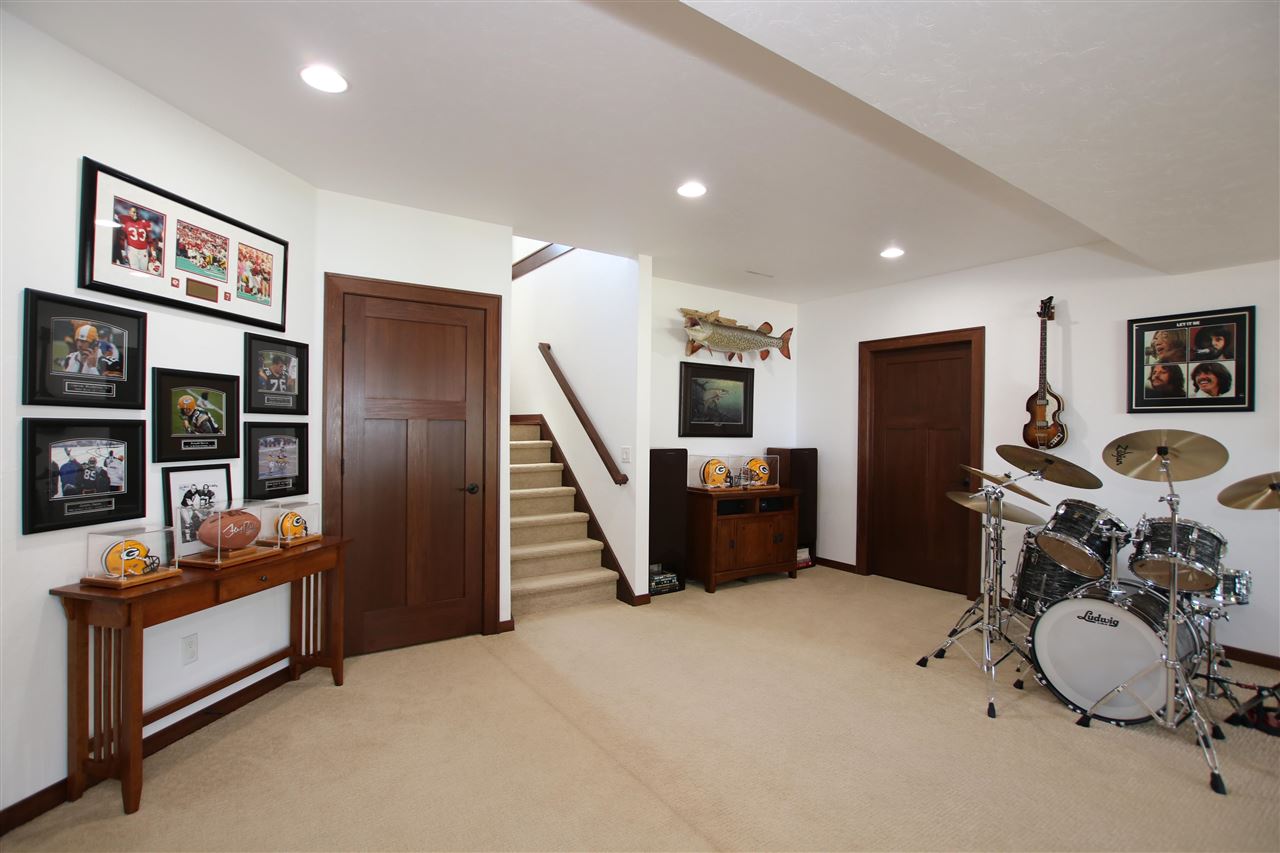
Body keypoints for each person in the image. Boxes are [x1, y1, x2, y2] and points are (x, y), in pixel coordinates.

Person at [117, 206, 155, 272]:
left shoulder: (144, 224)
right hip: (132, 251)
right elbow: (122, 239)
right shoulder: (126, 223)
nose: (135, 214)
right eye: (134, 212)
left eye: (137, 212)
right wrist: (123, 253)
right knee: (134, 271)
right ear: (129, 213)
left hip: (143, 252)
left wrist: (153, 254)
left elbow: (150, 241)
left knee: (143, 272)